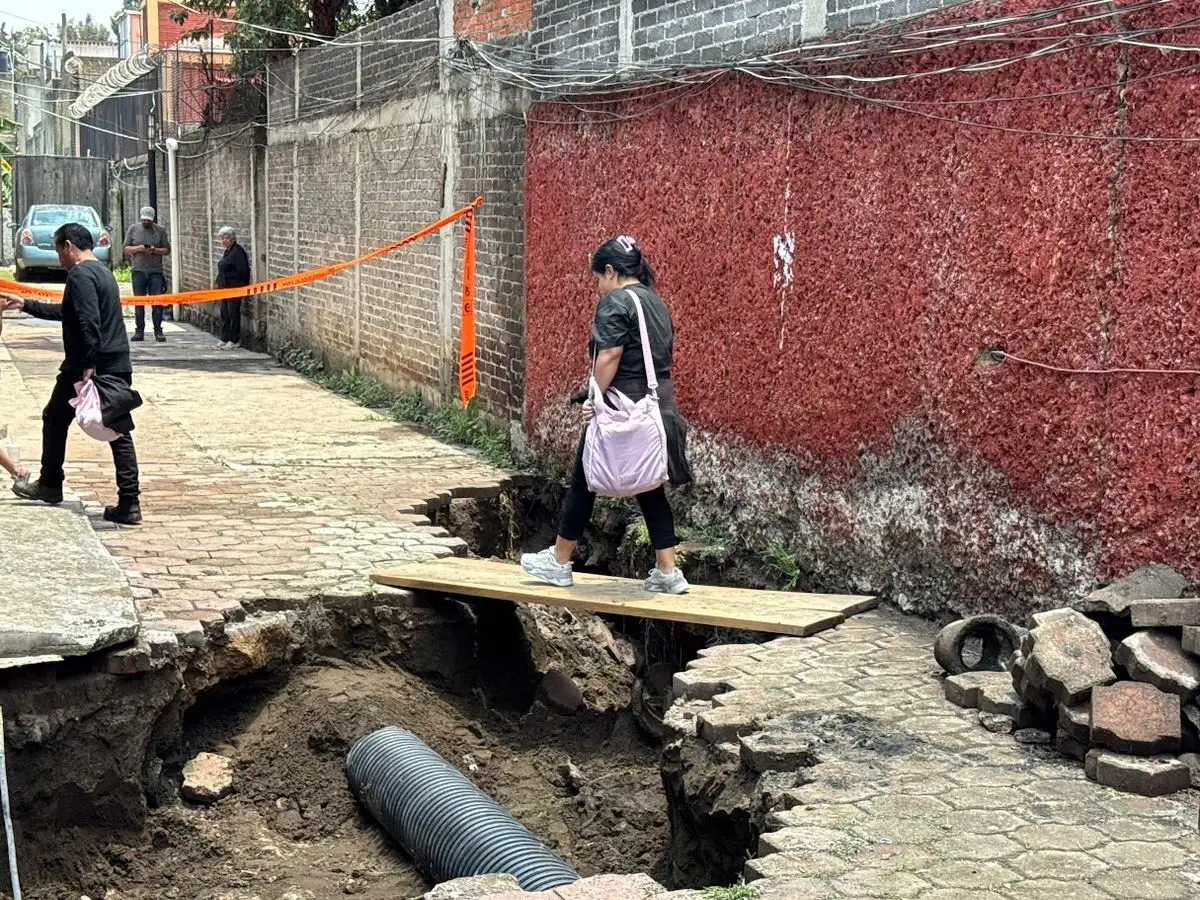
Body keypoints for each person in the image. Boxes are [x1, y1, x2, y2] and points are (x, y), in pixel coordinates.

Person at [521, 235, 693, 594]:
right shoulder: (656, 303)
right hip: (658, 404)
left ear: (611, 271)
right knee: (649, 486)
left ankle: (559, 561)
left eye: (598, 278)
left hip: (622, 405)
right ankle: (667, 571)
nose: (599, 286)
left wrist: (595, 396)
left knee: (584, 479)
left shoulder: (616, 301)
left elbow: (611, 355)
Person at [3, 222, 142, 525]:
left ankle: (53, 484)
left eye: (59, 251)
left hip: (90, 366)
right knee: (106, 427)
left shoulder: (80, 274)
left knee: (65, 420)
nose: (59, 259)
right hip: (114, 361)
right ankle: (126, 501)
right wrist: (26, 304)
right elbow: (70, 313)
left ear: (68, 246)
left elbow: (88, 321)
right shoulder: (102, 272)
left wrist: (88, 366)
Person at [124, 205, 170, 343]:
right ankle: (139, 331)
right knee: (139, 301)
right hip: (138, 271)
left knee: (157, 301)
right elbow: (126, 248)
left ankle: (158, 330)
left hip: (155, 271)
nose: (146, 223)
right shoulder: (133, 229)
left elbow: (167, 250)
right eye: (144, 220)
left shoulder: (160, 231)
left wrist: (155, 250)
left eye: (148, 221)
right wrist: (138, 248)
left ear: (153, 219)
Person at [214, 225, 250, 349]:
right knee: (224, 313)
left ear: (233, 239)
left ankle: (234, 339)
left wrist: (238, 285)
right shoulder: (228, 251)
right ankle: (224, 337)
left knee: (233, 313)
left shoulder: (238, 252)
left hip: (234, 288)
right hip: (225, 288)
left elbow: (243, 271)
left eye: (226, 238)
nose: (224, 240)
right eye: (222, 238)